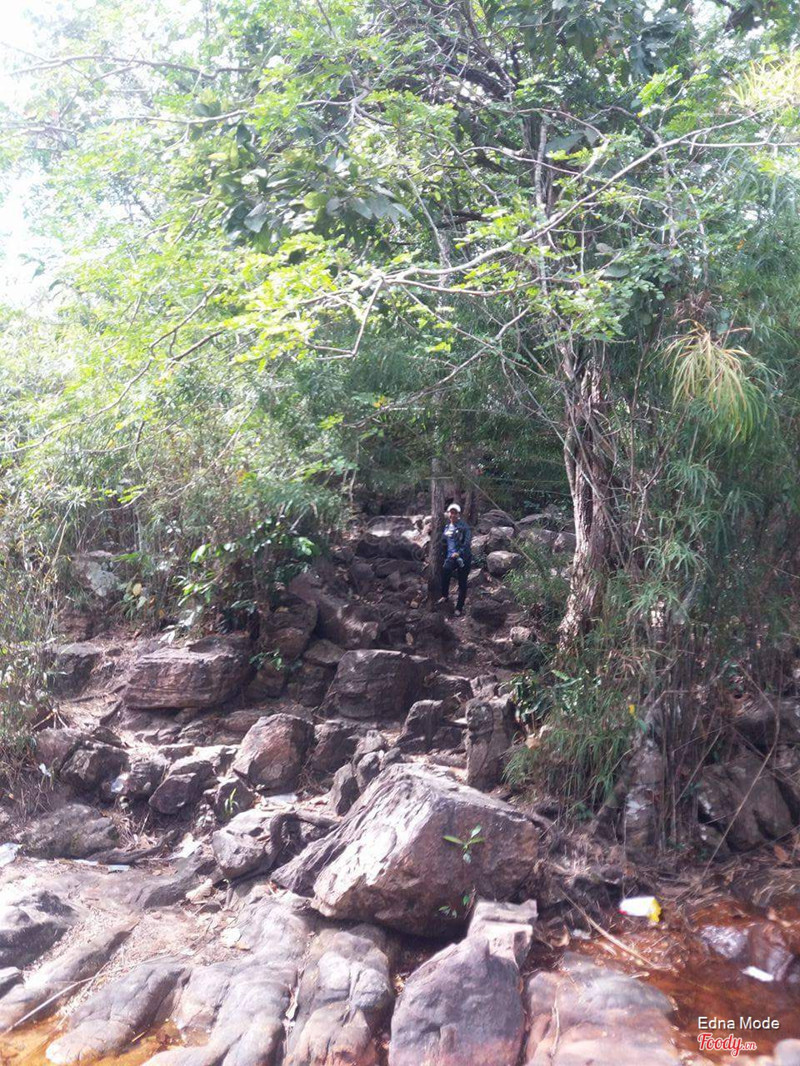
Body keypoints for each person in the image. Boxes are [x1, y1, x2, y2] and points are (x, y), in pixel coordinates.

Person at [440, 503, 472, 615]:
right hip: (451, 557)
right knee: (445, 570)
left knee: (462, 583)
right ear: (448, 514)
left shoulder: (464, 527)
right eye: (451, 512)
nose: (452, 515)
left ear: (458, 514)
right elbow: (444, 543)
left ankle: (459, 608)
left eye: (455, 513)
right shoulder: (446, 527)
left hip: (464, 558)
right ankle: (445, 595)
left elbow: (467, 542)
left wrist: (459, 553)